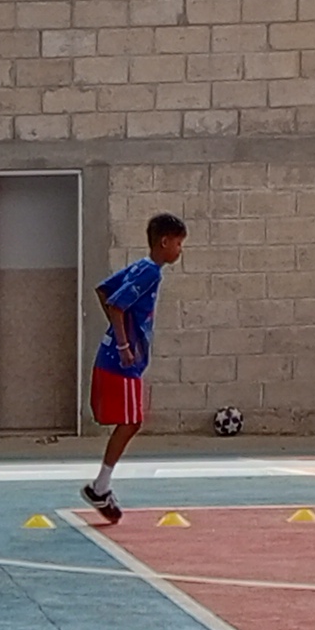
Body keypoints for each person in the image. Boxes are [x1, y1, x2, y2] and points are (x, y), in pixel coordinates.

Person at [79, 213, 187, 524]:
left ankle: (101, 485)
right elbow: (116, 304)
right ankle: (100, 487)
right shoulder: (149, 273)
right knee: (131, 421)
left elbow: (104, 291)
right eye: (178, 244)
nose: (180, 250)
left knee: (131, 421)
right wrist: (124, 344)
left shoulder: (141, 266)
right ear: (164, 242)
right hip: (121, 361)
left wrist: (121, 332)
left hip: (119, 357)